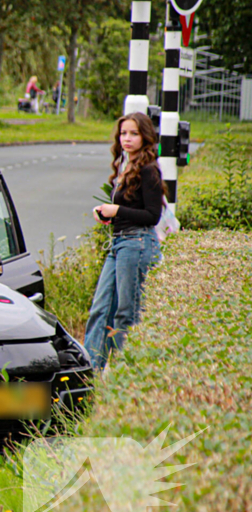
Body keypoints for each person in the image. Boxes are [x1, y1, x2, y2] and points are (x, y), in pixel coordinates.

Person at [83, 112, 165, 370]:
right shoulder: (125, 165)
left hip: (137, 245)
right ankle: (89, 375)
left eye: (134, 133)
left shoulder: (149, 169)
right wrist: (108, 216)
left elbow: (152, 216)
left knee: (125, 314)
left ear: (145, 137)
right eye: (123, 133)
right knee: (100, 309)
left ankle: (126, 376)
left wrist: (116, 211)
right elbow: (130, 209)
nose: (127, 138)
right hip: (119, 244)